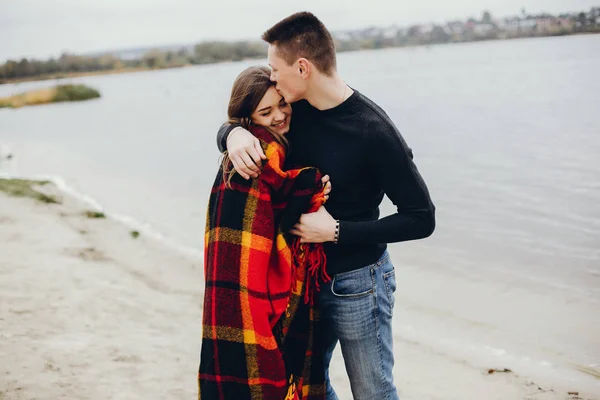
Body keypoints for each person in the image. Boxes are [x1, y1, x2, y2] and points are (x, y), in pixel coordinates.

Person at [216, 12, 436, 400]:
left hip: (357, 283)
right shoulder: (291, 112)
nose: (272, 79)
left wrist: (336, 231)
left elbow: (421, 218)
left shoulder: (373, 130)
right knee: (306, 388)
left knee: (372, 392)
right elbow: (247, 117)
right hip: (299, 280)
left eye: (275, 69)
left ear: (302, 67)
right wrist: (231, 134)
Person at [198, 65, 333, 400]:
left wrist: (230, 132)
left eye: (282, 104)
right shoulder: (257, 152)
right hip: (255, 290)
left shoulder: (284, 135)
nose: (278, 116)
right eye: (265, 111)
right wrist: (310, 186)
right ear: (248, 118)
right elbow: (266, 217)